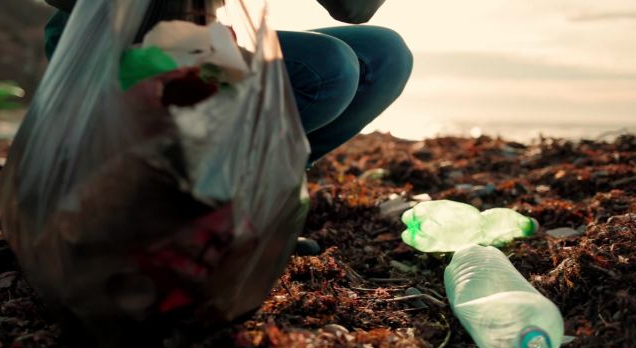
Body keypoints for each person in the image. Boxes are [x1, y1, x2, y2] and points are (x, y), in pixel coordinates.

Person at [43, 0, 413, 254]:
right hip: (115, 50)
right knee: (329, 69)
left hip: (198, 41)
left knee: (383, 54)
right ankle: (183, 206)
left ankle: (254, 197)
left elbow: (354, 8)